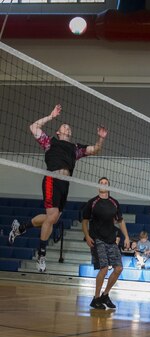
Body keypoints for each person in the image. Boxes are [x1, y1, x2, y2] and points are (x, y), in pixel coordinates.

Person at [9, 104, 107, 273]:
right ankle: (41, 255)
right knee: (52, 216)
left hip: (64, 184)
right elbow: (33, 127)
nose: (66, 127)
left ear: (70, 133)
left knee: (52, 219)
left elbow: (96, 149)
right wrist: (51, 116)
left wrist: (101, 138)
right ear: (58, 132)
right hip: (52, 179)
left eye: (68, 127)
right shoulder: (49, 142)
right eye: (63, 126)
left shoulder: (76, 149)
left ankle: (20, 228)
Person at [82, 177, 129, 310]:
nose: (103, 184)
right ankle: (95, 298)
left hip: (111, 239)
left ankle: (105, 295)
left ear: (109, 186)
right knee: (104, 268)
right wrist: (86, 236)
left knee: (119, 268)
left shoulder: (114, 203)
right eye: (101, 183)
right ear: (98, 186)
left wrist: (126, 237)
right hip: (97, 239)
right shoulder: (92, 202)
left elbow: (120, 221)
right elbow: (84, 221)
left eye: (105, 183)